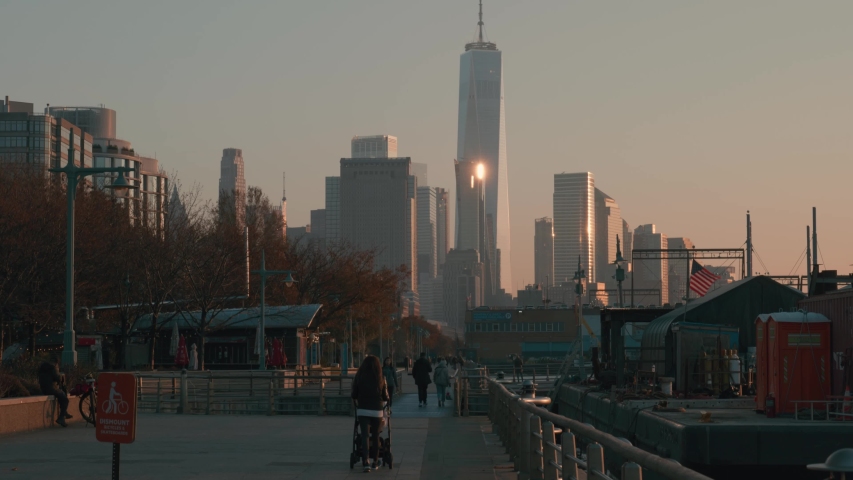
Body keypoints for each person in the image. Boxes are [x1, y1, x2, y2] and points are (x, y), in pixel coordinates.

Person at [351, 355, 389, 473]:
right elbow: (385, 396)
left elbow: (354, 394)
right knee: (376, 436)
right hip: (377, 410)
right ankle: (375, 462)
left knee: (365, 436)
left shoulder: (359, 376)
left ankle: (366, 462)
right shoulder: (381, 377)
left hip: (363, 410)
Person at [38, 359, 71, 427]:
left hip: (44, 389)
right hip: (52, 389)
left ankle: (65, 412)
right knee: (65, 400)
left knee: (61, 395)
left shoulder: (42, 367)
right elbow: (57, 378)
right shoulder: (53, 368)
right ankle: (61, 417)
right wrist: (60, 376)